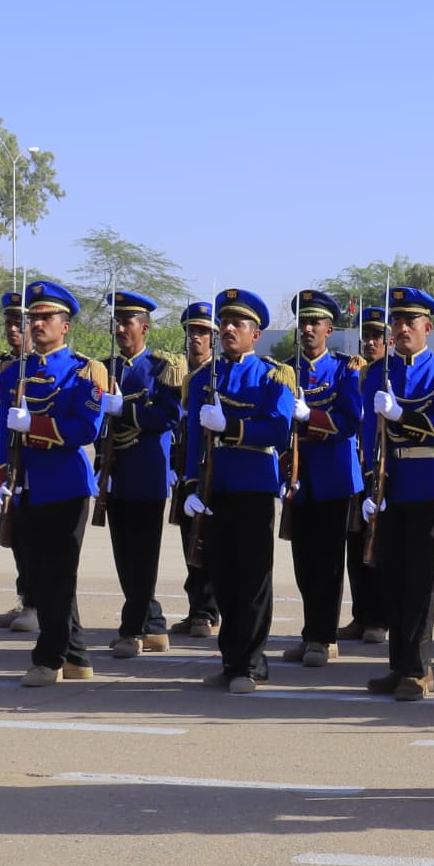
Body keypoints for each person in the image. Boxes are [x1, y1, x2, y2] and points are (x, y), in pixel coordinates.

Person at [180, 290, 296, 693]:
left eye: (237, 324)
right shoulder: (203, 377)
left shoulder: (272, 376)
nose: (227, 329)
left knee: (252, 578)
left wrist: (230, 426)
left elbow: (279, 431)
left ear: (255, 334)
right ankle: (231, 660)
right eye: (224, 323)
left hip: (253, 482)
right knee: (223, 577)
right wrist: (191, 486)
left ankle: (252, 663)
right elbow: (194, 436)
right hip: (215, 486)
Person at [357, 286, 434, 700]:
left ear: (428, 328)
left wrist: (402, 414)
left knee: (420, 581)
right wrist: (371, 483)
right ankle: (398, 664)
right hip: (389, 482)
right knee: (392, 578)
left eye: (410, 322)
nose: (401, 329)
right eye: (397, 322)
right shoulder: (375, 374)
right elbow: (368, 435)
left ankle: (419, 670)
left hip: (424, 479)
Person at [0, 281, 107, 687]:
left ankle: (49, 659)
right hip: (26, 484)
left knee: (56, 577)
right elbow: (3, 432)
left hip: (64, 485)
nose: (37, 324)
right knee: (40, 575)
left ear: (65, 326)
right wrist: (3, 472)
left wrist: (37, 427)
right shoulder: (14, 372)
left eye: (45, 318)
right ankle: (77, 656)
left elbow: (86, 428)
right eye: (33, 318)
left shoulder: (84, 371)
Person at [281, 289, 364, 666]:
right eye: (304, 322)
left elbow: (348, 421)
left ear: (329, 329)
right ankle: (311, 630)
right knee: (303, 562)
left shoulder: (347, 369)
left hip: (334, 478)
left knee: (329, 562)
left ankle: (323, 637)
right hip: (299, 478)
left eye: (315, 323)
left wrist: (309, 418)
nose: (308, 329)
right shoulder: (284, 369)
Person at [100, 291, 185, 659]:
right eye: (116, 322)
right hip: (115, 473)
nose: (120, 329)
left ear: (144, 328)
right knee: (123, 555)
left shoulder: (162, 368)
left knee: (143, 556)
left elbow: (169, 416)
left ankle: (132, 629)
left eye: (127, 322)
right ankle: (153, 624)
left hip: (148, 473)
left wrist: (127, 412)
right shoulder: (103, 368)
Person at [0, 290, 38, 635]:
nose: (13, 330)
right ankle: (27, 598)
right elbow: (3, 430)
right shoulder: (6, 370)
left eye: (20, 324)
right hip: (15, 467)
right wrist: (2, 467)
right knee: (18, 537)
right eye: (8, 324)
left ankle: (39, 605)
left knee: (39, 540)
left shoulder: (49, 367)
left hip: (41, 465)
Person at [339, 302, 393, 646]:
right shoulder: (355, 373)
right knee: (355, 546)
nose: (370, 342)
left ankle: (379, 618)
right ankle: (360, 614)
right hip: (354, 470)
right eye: (367, 336)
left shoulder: (390, 374)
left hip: (380, 469)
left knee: (379, 547)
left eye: (377, 336)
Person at [175, 299, 224, 638]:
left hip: (214, 470)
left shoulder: (219, 375)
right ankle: (197, 608)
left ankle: (207, 612)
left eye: (203, 332)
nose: (196, 337)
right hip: (184, 469)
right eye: (192, 331)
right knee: (190, 543)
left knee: (210, 543)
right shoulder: (178, 374)